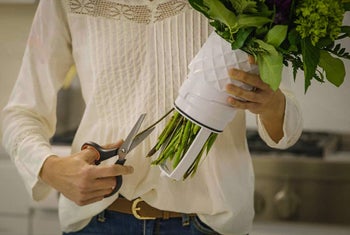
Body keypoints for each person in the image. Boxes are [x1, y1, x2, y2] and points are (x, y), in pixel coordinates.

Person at [1, 1, 303, 235]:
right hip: (97, 222)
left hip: (210, 225)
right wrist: (50, 168)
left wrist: (271, 104)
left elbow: (286, 125)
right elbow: (20, 112)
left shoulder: (254, 3)